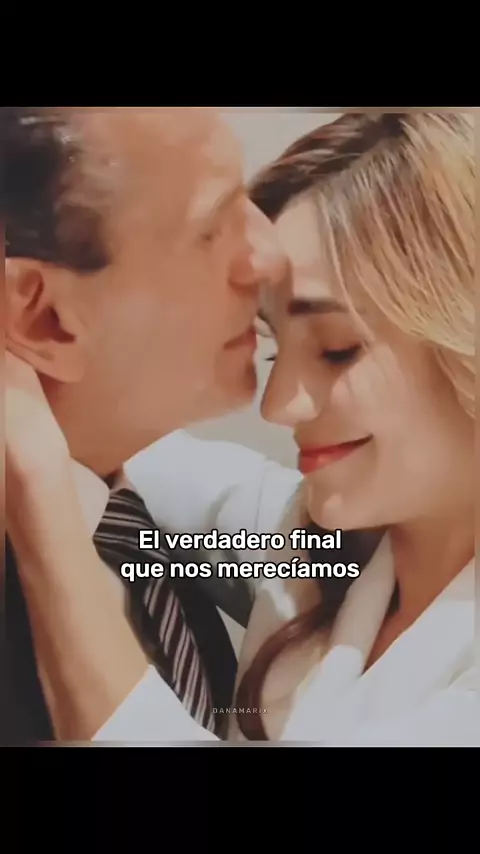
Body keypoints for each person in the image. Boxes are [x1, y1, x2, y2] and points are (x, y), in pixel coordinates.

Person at [124, 111, 477, 746]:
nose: (279, 404)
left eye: (337, 349)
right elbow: (142, 459)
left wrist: (46, 533)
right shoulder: (317, 546)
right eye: (272, 349)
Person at [3, 105, 288, 744]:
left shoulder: (138, 528)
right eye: (211, 228)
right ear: (45, 317)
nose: (268, 256)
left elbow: (316, 559)